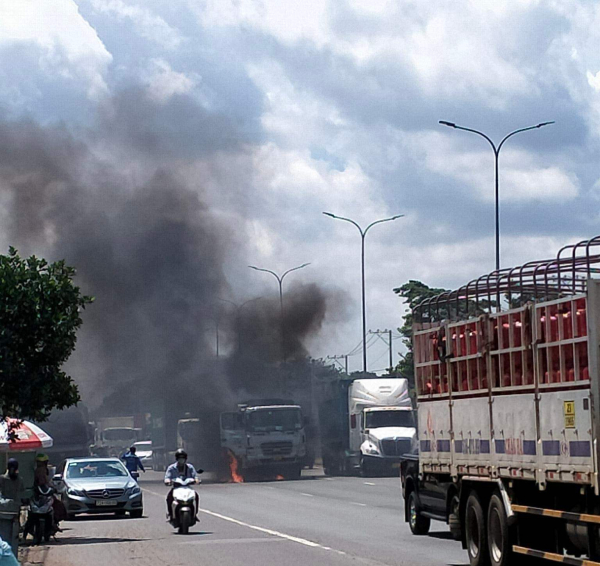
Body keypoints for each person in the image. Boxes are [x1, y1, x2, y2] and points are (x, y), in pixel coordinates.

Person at [164, 449, 199, 520]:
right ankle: (171, 514)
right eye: (180, 458)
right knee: (169, 498)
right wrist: (168, 481)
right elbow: (167, 477)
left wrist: (196, 480)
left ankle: (194, 514)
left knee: (196, 496)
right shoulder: (171, 468)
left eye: (183, 458)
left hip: (187, 488)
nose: (181, 460)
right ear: (177, 458)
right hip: (176, 488)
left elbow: (195, 476)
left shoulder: (190, 467)